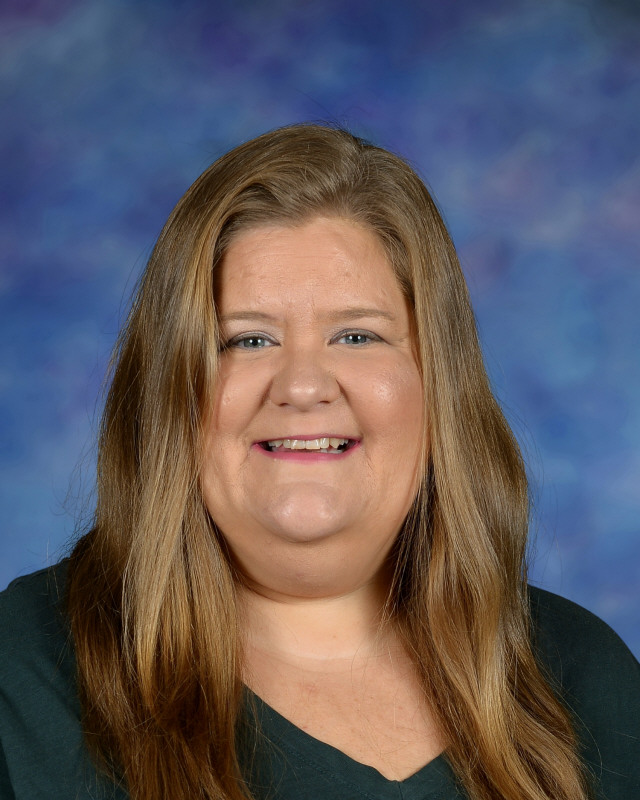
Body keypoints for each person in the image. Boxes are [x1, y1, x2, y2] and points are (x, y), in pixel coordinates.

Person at [0, 124, 638, 800]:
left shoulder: (584, 678)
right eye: (248, 339)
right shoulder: (26, 676)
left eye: (356, 334)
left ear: (436, 383)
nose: (303, 385)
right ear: (170, 393)